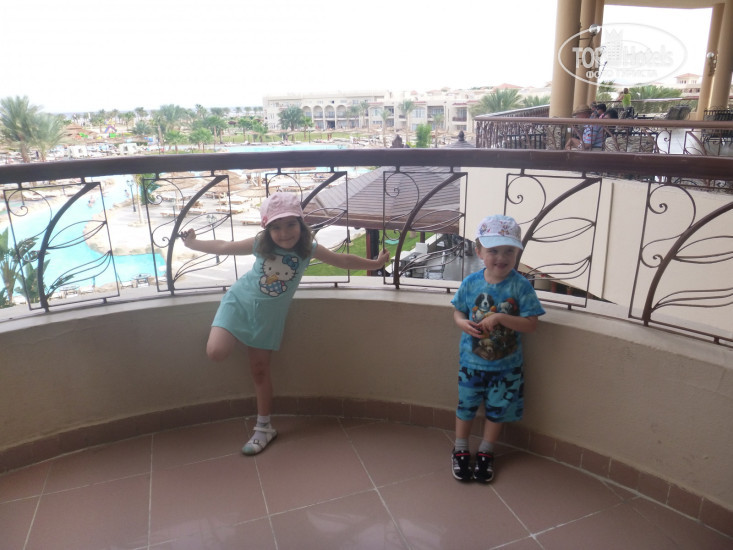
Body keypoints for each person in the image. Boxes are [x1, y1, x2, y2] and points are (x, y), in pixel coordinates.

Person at [181, 192, 390, 455]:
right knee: (216, 352)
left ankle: (264, 427)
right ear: (267, 230)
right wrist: (193, 243)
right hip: (238, 303)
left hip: (268, 318)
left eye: (290, 224)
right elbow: (225, 247)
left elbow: (343, 260)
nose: (284, 233)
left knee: (260, 371)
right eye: (276, 227)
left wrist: (376, 263)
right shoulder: (261, 244)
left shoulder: (308, 249)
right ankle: (262, 422)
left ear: (301, 224)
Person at [450, 215, 545, 483]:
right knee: (466, 406)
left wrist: (501, 318)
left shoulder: (521, 286)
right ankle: (460, 448)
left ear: (517, 253)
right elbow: (458, 311)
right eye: (493, 250)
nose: (501, 257)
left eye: (508, 251)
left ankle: (486, 451)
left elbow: (531, 324)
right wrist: (462, 323)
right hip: (471, 363)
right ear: (479, 251)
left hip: (507, 367)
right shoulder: (471, 282)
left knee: (497, 410)